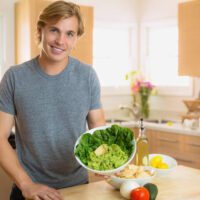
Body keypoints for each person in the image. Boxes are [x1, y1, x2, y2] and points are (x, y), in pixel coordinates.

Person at [0, 1, 106, 200]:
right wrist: (27, 185)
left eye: (69, 34)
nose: (60, 41)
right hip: (29, 190)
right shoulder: (14, 77)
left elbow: (97, 126)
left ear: (76, 39)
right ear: (40, 31)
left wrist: (103, 159)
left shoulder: (87, 75)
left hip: (77, 189)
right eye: (54, 30)